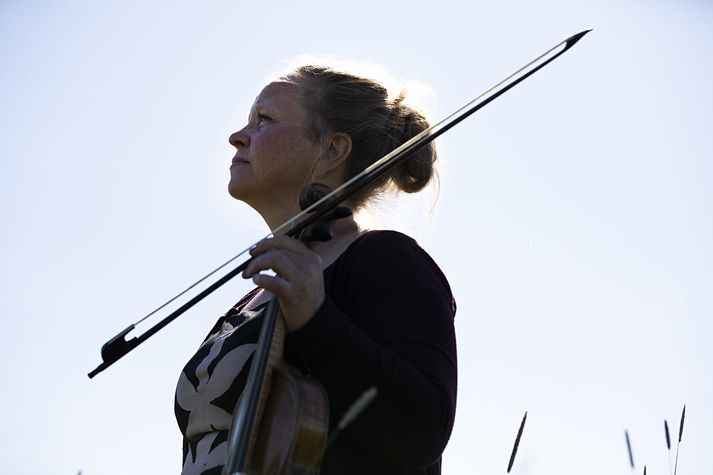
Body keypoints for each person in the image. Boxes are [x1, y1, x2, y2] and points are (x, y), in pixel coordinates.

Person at [175, 63, 458, 475]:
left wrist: (317, 322)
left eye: (264, 119)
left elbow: (423, 430)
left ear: (331, 150)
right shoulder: (253, 299)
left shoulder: (386, 260)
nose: (237, 136)